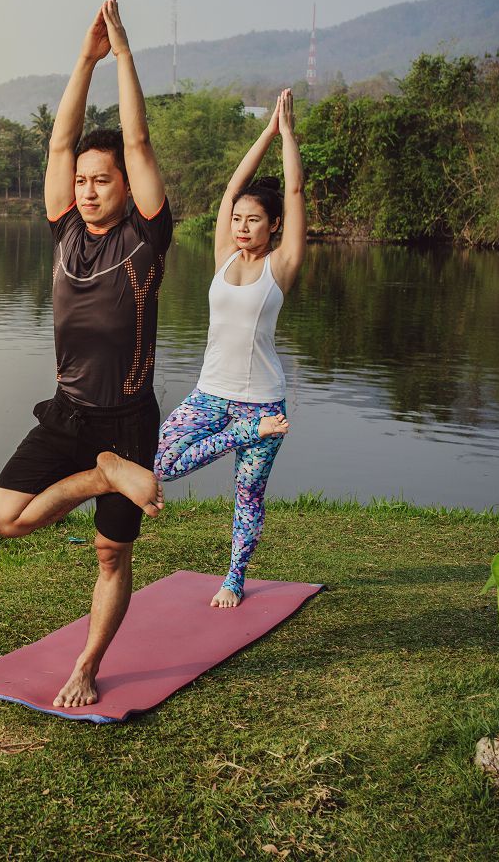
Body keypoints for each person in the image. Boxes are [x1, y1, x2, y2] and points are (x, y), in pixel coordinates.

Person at [0, 0, 172, 709]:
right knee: (3, 519)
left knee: (110, 554)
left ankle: (88, 664)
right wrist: (84, 59)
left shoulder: (146, 240)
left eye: (104, 180)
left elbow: (140, 139)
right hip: (69, 417)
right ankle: (104, 478)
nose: (89, 191)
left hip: (127, 418)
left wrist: (122, 57)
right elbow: (59, 146)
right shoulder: (64, 229)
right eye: (85, 182)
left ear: (127, 186)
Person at [153, 88, 307, 609]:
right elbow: (230, 191)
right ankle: (246, 434)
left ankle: (233, 580)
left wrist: (287, 136)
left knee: (247, 497)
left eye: (254, 220)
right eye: (238, 219)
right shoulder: (223, 255)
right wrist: (264, 133)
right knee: (158, 467)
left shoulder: (280, 267)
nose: (242, 226)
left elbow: (295, 193)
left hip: (264, 399)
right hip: (210, 394)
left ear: (274, 226)